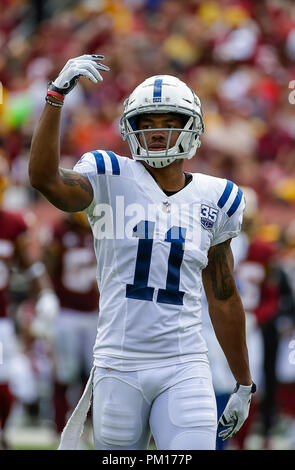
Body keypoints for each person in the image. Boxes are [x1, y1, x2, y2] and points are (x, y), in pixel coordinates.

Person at [29, 54, 256, 450]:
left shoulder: (217, 197)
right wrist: (55, 97)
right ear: (129, 130)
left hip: (184, 362)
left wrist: (243, 382)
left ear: (192, 128)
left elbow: (222, 295)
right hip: (118, 364)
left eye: (168, 122)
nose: (156, 132)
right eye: (145, 123)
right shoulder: (108, 176)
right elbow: (44, 178)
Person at [0, 155, 59, 448]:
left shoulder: (12, 223)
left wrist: (45, 293)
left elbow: (31, 266)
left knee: (3, 380)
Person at [42, 212, 98, 436]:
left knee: (94, 372)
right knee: (64, 374)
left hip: (95, 311)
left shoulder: (101, 226)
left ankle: (90, 425)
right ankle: (59, 425)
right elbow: (46, 268)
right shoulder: (59, 230)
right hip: (66, 312)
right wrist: (48, 296)